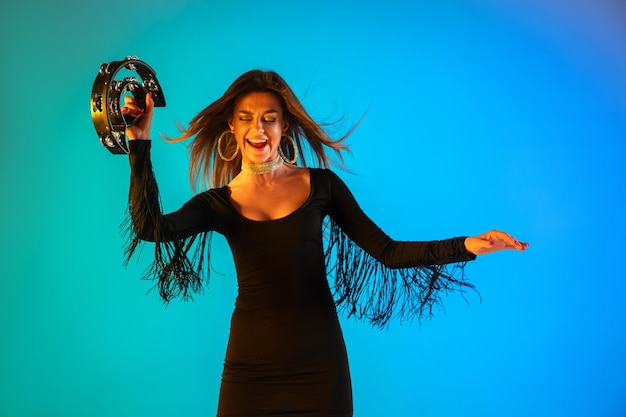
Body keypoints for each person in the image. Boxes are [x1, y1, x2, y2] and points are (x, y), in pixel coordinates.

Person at [121, 70, 528, 417]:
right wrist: (139, 142)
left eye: (269, 118)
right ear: (231, 125)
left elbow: (386, 251)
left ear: (285, 127)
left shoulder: (322, 187)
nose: (258, 129)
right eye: (246, 118)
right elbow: (150, 228)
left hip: (321, 370)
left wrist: (468, 245)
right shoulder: (218, 204)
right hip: (249, 371)